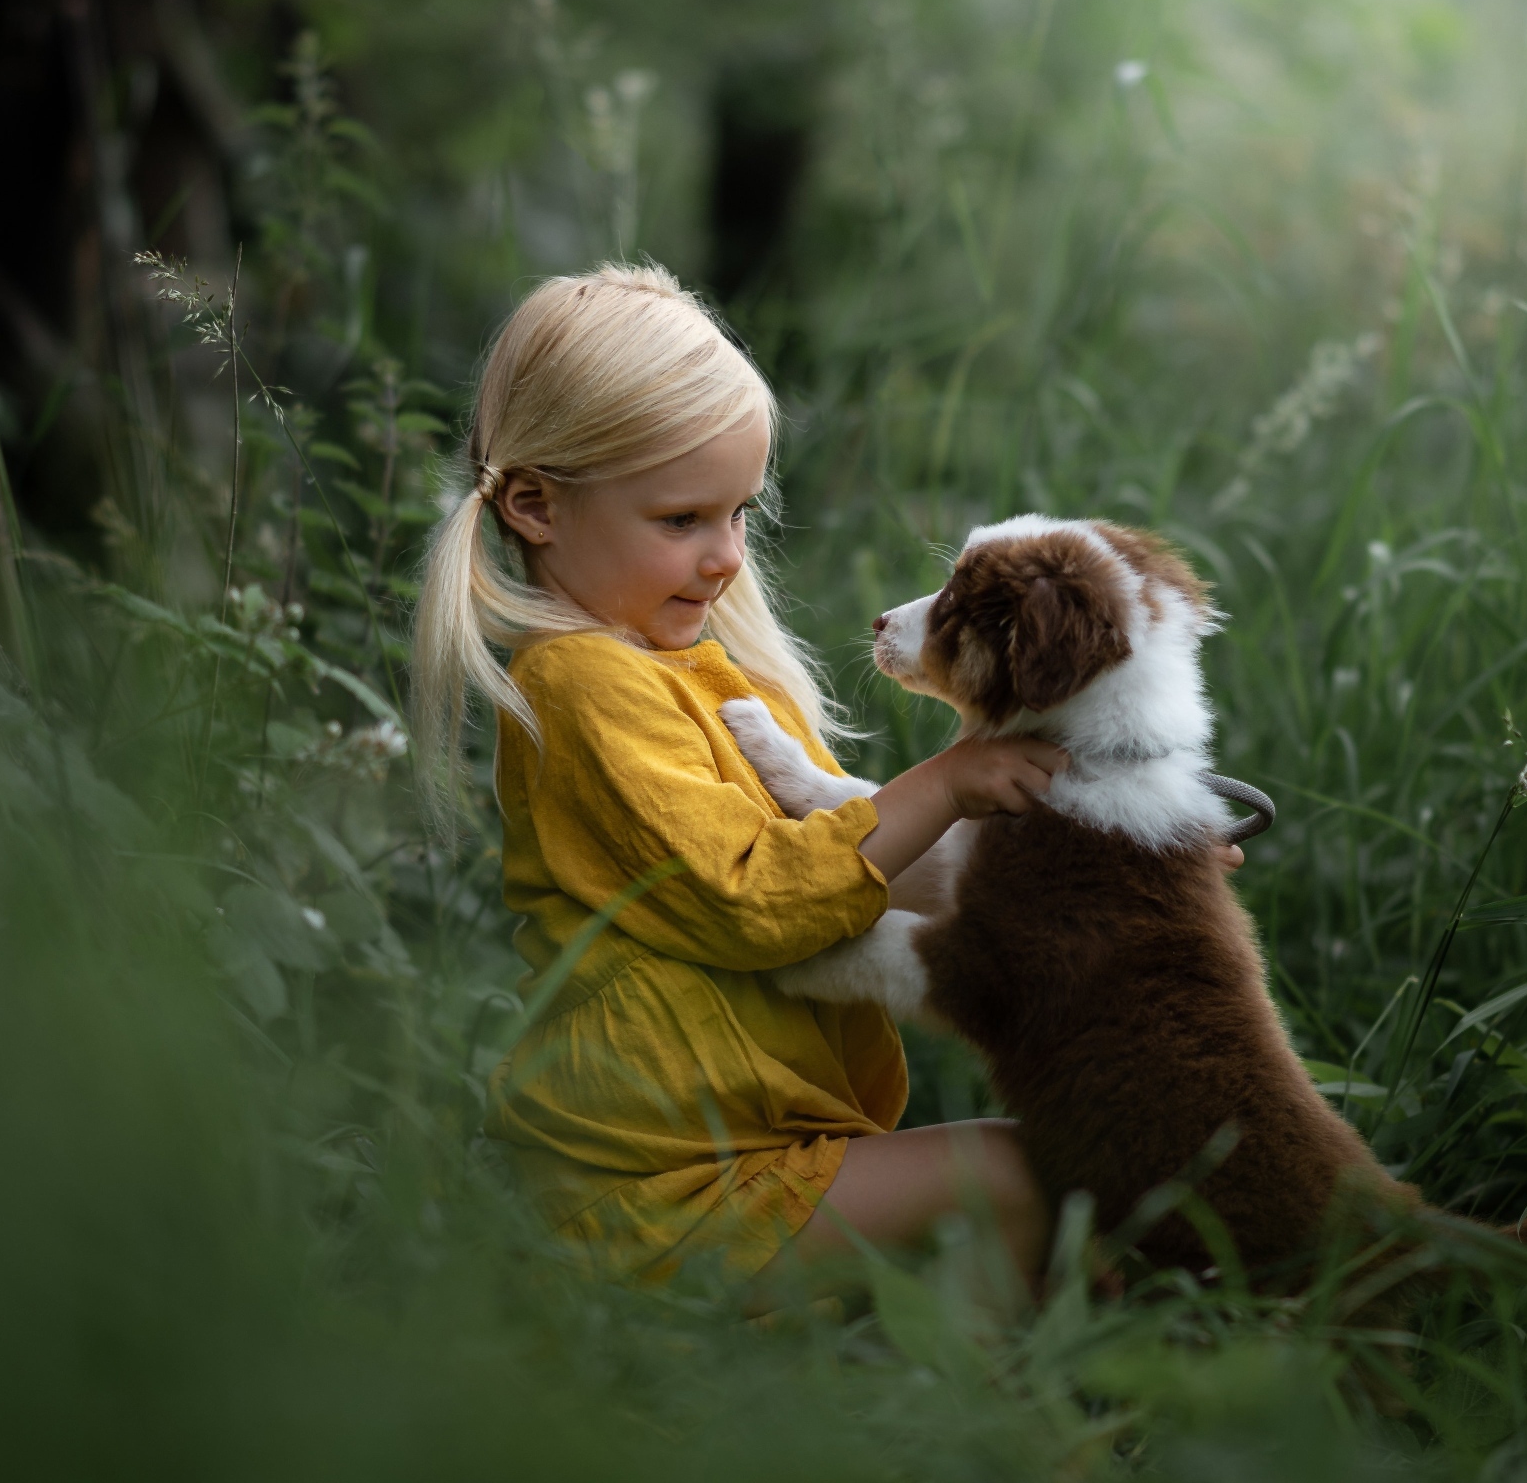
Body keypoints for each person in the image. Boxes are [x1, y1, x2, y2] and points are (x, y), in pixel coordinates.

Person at [410, 263, 1069, 1290]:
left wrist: (1096, 863)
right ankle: (997, 1437)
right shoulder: (585, 684)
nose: (723, 557)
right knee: (1016, 1174)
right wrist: (945, 781)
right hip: (657, 1196)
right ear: (536, 506)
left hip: (739, 1154)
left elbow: (855, 869)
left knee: (1038, 1176)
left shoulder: (686, 675)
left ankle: (944, 1407)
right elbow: (763, 893)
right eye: (681, 520)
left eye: (737, 515)